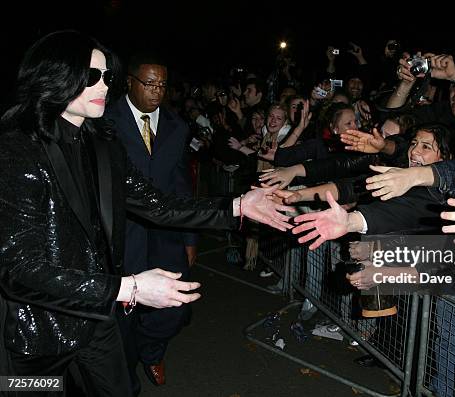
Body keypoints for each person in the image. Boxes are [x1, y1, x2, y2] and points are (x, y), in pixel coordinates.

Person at [0, 30, 292, 396]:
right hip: (37, 332)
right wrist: (131, 287)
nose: (104, 85)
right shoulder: (17, 150)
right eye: (92, 76)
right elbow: (19, 270)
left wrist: (236, 206)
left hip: (96, 318)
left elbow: (158, 204)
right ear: (56, 75)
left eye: (108, 76)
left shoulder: (103, 144)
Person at [103, 53, 197, 390]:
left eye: (162, 85)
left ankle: (152, 349)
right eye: (150, 83)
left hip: (167, 233)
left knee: (176, 308)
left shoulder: (177, 126)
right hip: (123, 233)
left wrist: (189, 238)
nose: (157, 91)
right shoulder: (104, 120)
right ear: (130, 82)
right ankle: (127, 377)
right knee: (124, 312)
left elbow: (182, 185)